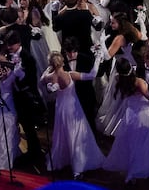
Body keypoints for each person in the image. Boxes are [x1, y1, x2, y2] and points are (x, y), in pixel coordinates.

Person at [43, 44, 104, 178]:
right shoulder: (69, 75)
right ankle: (78, 168)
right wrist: (98, 58)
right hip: (73, 108)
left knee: (63, 134)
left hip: (61, 109)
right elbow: (92, 75)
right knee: (76, 135)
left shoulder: (49, 77)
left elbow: (41, 81)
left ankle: (66, 161)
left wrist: (48, 73)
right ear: (62, 61)